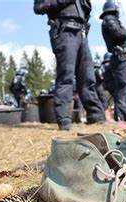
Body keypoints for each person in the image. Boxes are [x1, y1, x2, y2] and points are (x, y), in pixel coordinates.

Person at [34, 0, 106, 131]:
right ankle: (64, 120)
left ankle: (96, 116)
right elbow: (39, 7)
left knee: (88, 78)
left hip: (81, 32)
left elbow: (86, 11)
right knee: (66, 77)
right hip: (64, 30)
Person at [100, 0, 126, 122]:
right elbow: (118, 33)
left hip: (120, 56)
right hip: (120, 57)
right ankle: (125, 116)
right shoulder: (109, 19)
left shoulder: (110, 20)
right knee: (125, 86)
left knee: (123, 87)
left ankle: (121, 115)